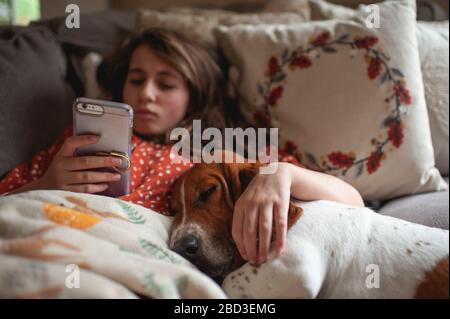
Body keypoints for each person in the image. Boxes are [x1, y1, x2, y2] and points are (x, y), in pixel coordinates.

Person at [0, 28, 364, 267]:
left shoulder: (222, 150)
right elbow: (8, 203)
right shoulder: (80, 141)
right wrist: (44, 183)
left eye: (167, 84)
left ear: (193, 96)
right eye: (137, 79)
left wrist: (280, 174)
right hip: (73, 247)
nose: (146, 94)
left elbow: (353, 201)